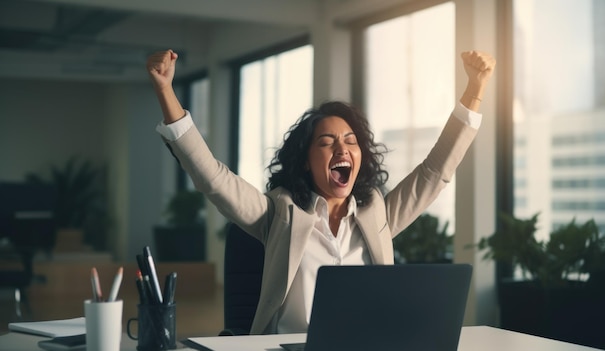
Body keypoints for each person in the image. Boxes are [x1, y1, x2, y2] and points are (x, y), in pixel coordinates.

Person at [146, 49, 495, 334]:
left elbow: (435, 172)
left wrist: (475, 90)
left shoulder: (377, 213)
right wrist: (166, 92)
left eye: (350, 142)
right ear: (305, 162)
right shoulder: (277, 213)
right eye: (327, 143)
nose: (342, 150)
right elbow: (214, 178)